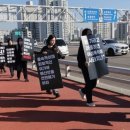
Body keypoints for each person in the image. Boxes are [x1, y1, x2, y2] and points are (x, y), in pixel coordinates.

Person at [77, 28, 97, 107]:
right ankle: (89, 101)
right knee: (89, 83)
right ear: (84, 35)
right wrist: (83, 63)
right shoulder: (82, 45)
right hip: (85, 67)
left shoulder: (94, 44)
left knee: (93, 84)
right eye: (88, 34)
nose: (90, 35)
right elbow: (79, 58)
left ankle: (83, 91)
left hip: (93, 66)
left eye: (90, 34)